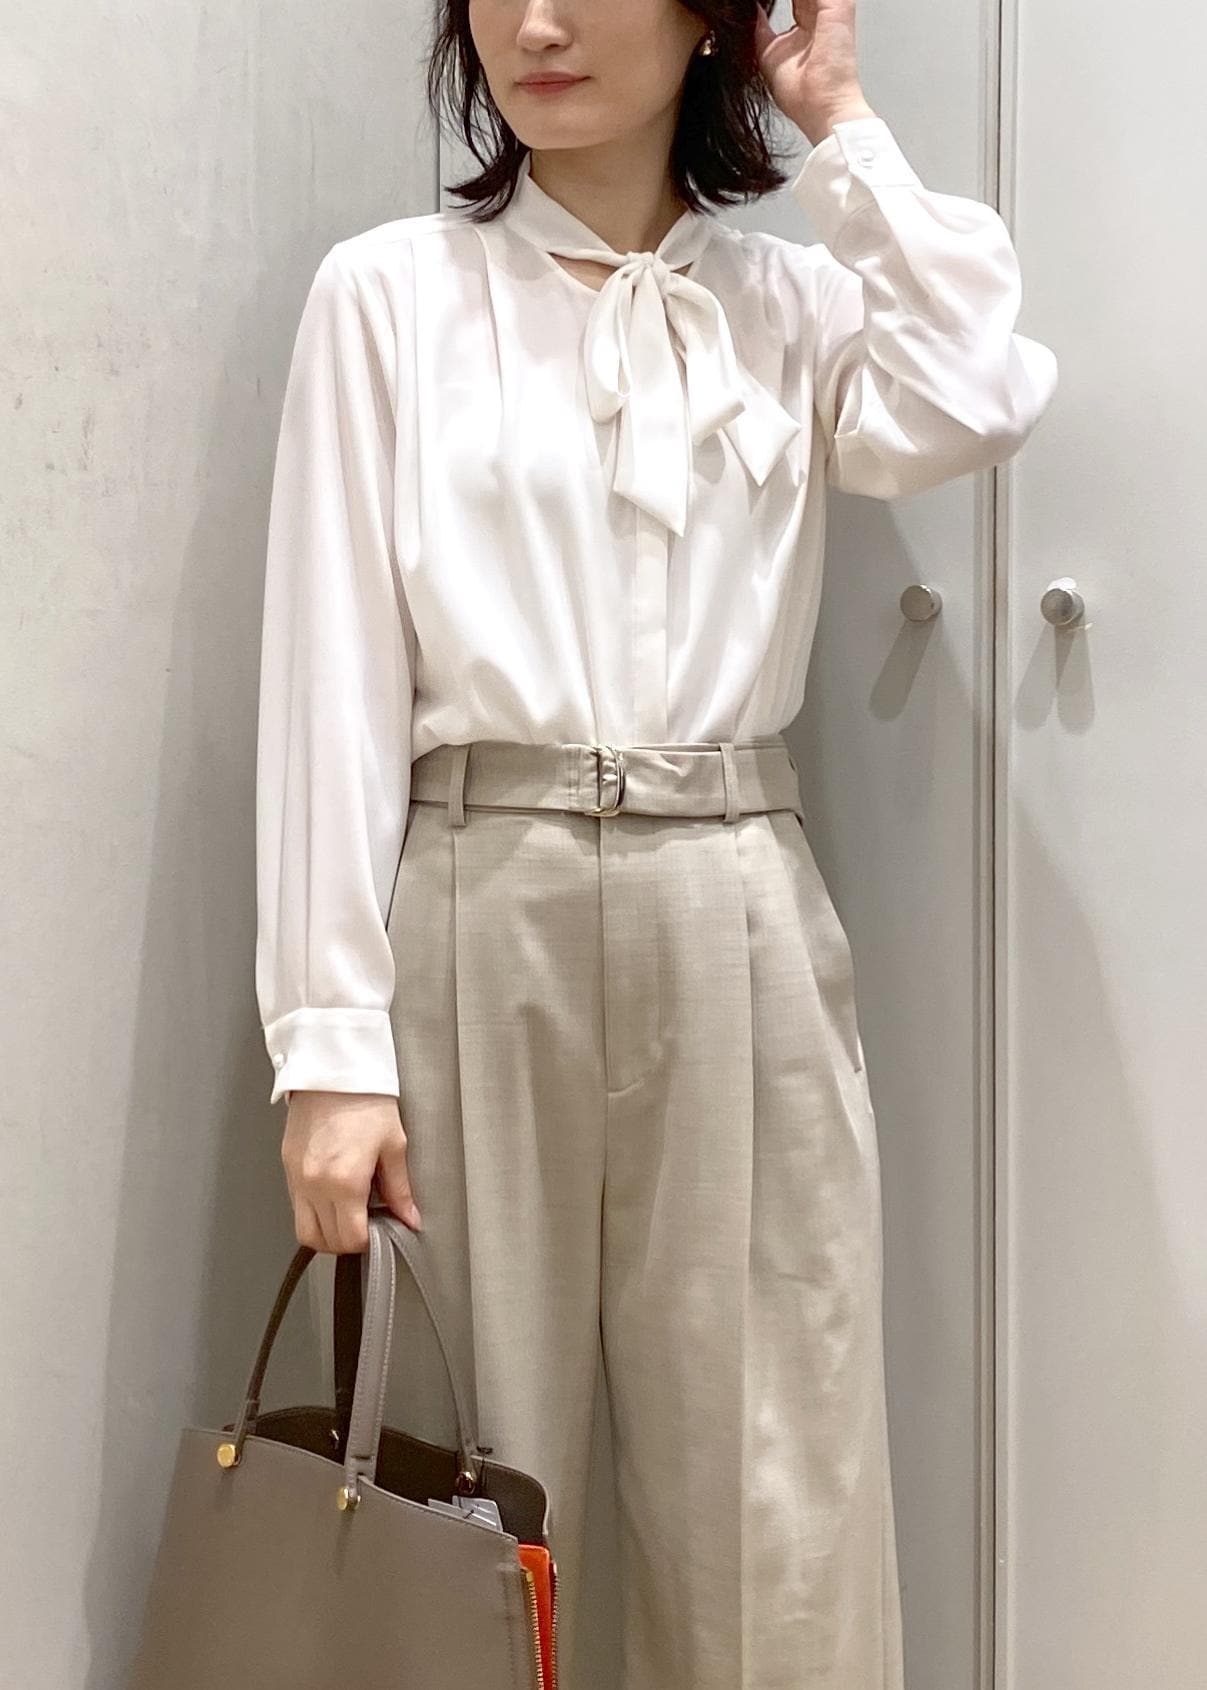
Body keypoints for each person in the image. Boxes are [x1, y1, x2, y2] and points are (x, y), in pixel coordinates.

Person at [254, 2, 1058, 1685]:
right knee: (464, 1500)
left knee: (779, 1481)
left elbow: (974, 392)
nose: (537, 25)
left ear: (710, 24)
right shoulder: (391, 294)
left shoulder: (792, 304)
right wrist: (327, 1046)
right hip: (477, 905)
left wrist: (840, 127)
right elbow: (330, 676)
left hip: (733, 894)